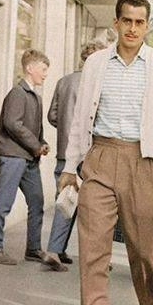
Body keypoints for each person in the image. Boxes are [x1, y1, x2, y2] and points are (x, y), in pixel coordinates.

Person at [58, 0, 153, 305]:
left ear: (147, 26)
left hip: (145, 161)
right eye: (126, 21)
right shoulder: (98, 63)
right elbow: (80, 117)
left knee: (145, 245)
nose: (132, 28)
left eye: (139, 22)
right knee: (92, 249)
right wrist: (71, 167)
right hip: (100, 157)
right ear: (115, 23)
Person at [42, 39, 107, 272]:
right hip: (89, 152)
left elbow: (52, 115)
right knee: (95, 206)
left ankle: (58, 249)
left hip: (63, 150)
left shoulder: (64, 81)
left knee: (65, 198)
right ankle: (56, 251)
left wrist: (65, 129)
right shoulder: (97, 84)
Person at [0, 49, 50, 265]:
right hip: (13, 156)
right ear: (30, 68)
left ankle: (33, 248)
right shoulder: (17, 93)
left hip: (28, 158)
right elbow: (12, 123)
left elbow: (33, 127)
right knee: (4, 202)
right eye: (43, 69)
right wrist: (36, 145)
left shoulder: (35, 97)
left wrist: (42, 144)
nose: (45, 74)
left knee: (37, 201)